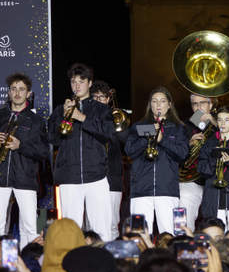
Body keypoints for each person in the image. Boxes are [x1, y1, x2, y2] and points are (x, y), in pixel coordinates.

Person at [48, 63, 116, 242]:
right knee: (70, 231)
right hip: (69, 176)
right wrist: (63, 116)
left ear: (90, 83)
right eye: (73, 82)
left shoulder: (101, 109)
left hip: (96, 176)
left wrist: (81, 117)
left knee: (101, 230)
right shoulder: (60, 109)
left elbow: (108, 134)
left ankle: (102, 258)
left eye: (81, 81)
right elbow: (52, 138)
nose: (76, 86)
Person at [0, 73, 48, 249]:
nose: (17, 93)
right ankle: (5, 262)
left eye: (21, 89)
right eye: (14, 89)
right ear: (9, 92)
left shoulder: (36, 121)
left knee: (30, 227)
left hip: (25, 179)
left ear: (28, 93)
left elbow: (43, 152)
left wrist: (20, 146)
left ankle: (28, 262)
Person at [125, 87, 189, 234]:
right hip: (140, 191)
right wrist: (149, 135)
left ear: (169, 104)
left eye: (162, 101)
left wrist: (162, 140)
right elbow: (129, 151)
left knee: (171, 234)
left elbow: (183, 154)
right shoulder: (138, 126)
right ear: (150, 105)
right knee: (139, 235)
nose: (158, 105)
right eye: (154, 101)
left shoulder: (179, 128)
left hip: (167, 191)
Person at [91, 80, 127, 241]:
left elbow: (125, 139)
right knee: (91, 224)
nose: (99, 100)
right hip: (92, 176)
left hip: (112, 177)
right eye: (95, 97)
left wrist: (115, 123)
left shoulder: (115, 117)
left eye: (102, 97)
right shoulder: (86, 118)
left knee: (112, 223)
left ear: (108, 100)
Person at [179, 93, 216, 231]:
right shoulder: (185, 126)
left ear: (211, 105)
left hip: (215, 180)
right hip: (192, 180)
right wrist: (188, 145)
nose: (198, 107)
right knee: (184, 206)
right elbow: (178, 153)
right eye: (195, 104)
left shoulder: (222, 120)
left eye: (203, 103)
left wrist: (214, 123)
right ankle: (186, 238)